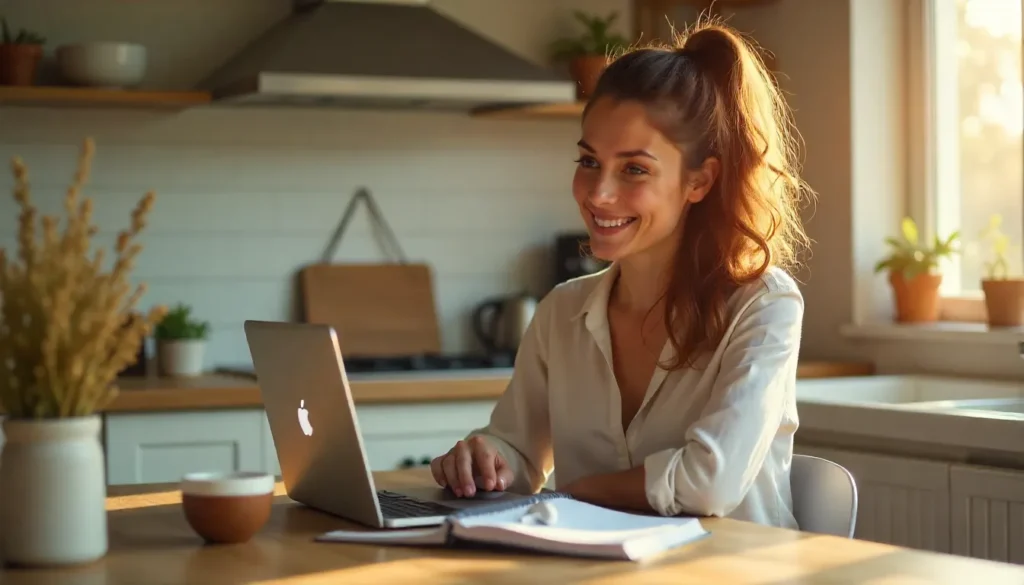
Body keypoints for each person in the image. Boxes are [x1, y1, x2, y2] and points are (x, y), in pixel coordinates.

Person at [429, 20, 813, 529]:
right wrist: (485, 457)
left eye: (634, 169)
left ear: (699, 180)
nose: (598, 193)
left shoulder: (763, 305)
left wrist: (577, 494)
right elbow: (519, 455)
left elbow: (708, 483)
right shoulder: (562, 311)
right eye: (589, 160)